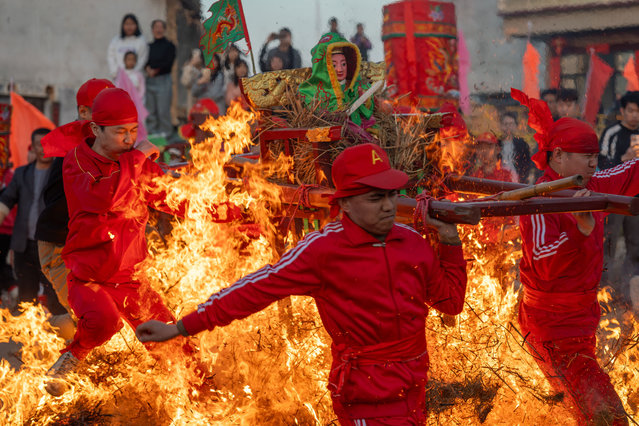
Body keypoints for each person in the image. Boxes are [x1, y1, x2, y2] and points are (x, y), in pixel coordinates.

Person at [136, 142, 467, 424]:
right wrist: (181, 328)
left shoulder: (412, 242)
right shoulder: (322, 251)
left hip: (414, 391)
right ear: (345, 203)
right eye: (374, 198)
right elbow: (254, 289)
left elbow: (451, 303)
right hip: (366, 397)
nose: (388, 206)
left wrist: (450, 242)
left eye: (391, 195)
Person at [43, 88, 188, 397]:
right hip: (89, 277)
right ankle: (74, 353)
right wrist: (138, 157)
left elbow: (168, 196)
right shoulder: (76, 162)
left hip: (132, 280)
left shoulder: (135, 162)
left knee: (176, 346)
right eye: (121, 132)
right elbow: (105, 197)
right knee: (104, 323)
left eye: (134, 131)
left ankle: (203, 401)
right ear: (96, 129)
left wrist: (224, 209)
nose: (128, 139)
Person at [512, 88, 639, 425]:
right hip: (552, 327)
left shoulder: (592, 183)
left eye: (596, 155)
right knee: (607, 417)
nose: (595, 163)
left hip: (581, 319)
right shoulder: (537, 199)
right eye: (586, 156)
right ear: (557, 157)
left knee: (574, 410)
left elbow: (628, 174)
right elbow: (543, 258)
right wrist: (578, 232)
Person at [36, 78, 116, 343]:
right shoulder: (74, 152)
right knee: (93, 319)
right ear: (84, 114)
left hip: (90, 247)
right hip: (60, 246)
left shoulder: (103, 145)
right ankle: (52, 353)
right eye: (105, 110)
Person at [0, 128, 67, 320]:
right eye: (39, 144)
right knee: (26, 298)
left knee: (56, 296)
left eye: (47, 144)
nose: (43, 149)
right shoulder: (21, 173)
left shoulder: (61, 171)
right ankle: (27, 343)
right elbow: (6, 201)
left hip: (52, 246)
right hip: (24, 245)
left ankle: (59, 339)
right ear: (33, 146)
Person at [598, 91, 639, 304]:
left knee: (636, 245)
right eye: (631, 110)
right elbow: (600, 165)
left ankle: (628, 292)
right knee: (609, 243)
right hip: (614, 198)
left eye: (638, 111)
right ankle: (604, 291)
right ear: (622, 111)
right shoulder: (611, 133)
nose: (635, 115)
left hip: (636, 200)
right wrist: (623, 160)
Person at [299, 33, 375, 127]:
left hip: (356, 128)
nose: (340, 69)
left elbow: (367, 111)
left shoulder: (354, 86)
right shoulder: (311, 91)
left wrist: (364, 99)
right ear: (324, 68)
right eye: (334, 65)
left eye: (343, 64)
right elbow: (315, 115)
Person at [145, 19, 176, 136]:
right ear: (152, 30)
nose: (158, 29)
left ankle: (166, 135)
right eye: (156, 27)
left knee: (163, 110)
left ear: (164, 29)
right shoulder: (148, 46)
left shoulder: (170, 46)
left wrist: (155, 70)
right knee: (150, 110)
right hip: (150, 81)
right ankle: (152, 134)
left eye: (160, 27)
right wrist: (147, 69)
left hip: (164, 80)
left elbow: (168, 63)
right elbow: (144, 61)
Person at [107, 14, 148, 80]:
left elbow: (142, 59)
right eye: (127, 24)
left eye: (132, 24)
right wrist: (115, 73)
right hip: (119, 77)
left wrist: (132, 74)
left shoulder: (141, 41)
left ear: (136, 26)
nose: (129, 27)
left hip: (135, 79)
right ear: (123, 25)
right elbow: (111, 57)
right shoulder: (116, 40)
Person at [499, 112, 532, 183]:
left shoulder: (521, 144)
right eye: (505, 124)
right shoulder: (497, 144)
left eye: (511, 124)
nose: (508, 127)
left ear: (515, 126)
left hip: (517, 180)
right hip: (499, 178)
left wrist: (523, 178)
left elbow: (527, 164)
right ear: (501, 126)